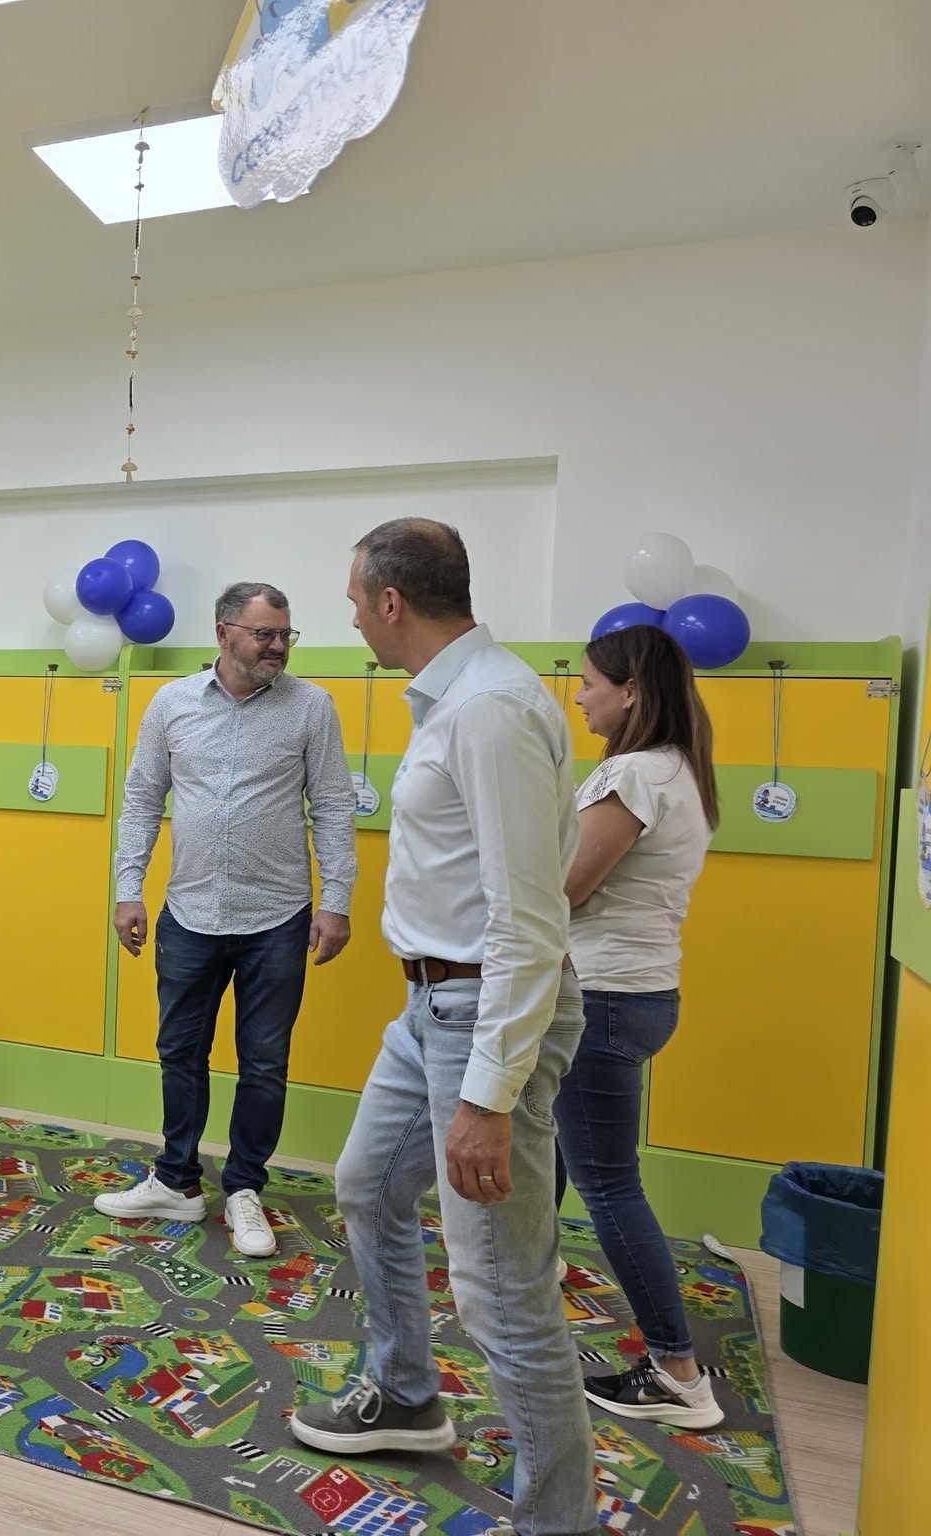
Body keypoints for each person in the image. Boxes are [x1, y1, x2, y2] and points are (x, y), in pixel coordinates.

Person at [290, 519, 595, 1536]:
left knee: (501, 1291)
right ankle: (406, 1394)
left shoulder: (491, 711)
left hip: (479, 1017)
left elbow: (527, 919)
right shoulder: (455, 701)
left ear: (390, 601)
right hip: (428, 1008)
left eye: (353, 600)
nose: (349, 618)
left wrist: (488, 1097)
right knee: (367, 1184)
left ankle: (554, 1521)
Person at [97, 582, 357, 1257]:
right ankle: (177, 1181)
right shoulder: (172, 703)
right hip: (189, 912)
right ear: (224, 633)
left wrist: (337, 900)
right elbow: (141, 798)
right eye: (264, 634)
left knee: (264, 1062)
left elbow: (333, 805)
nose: (278, 646)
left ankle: (244, 1189)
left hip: (278, 916)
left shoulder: (312, 707)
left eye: (285, 634)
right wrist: (128, 889)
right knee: (179, 1052)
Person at [558, 624, 722, 1428]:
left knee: (610, 1185)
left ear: (630, 692)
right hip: (643, 992)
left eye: (590, 683)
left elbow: (569, 887)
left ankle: (678, 1373)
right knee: (558, 1144)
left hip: (605, 996)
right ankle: (530, 1268)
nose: (579, 696)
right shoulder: (682, 768)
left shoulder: (632, 774)